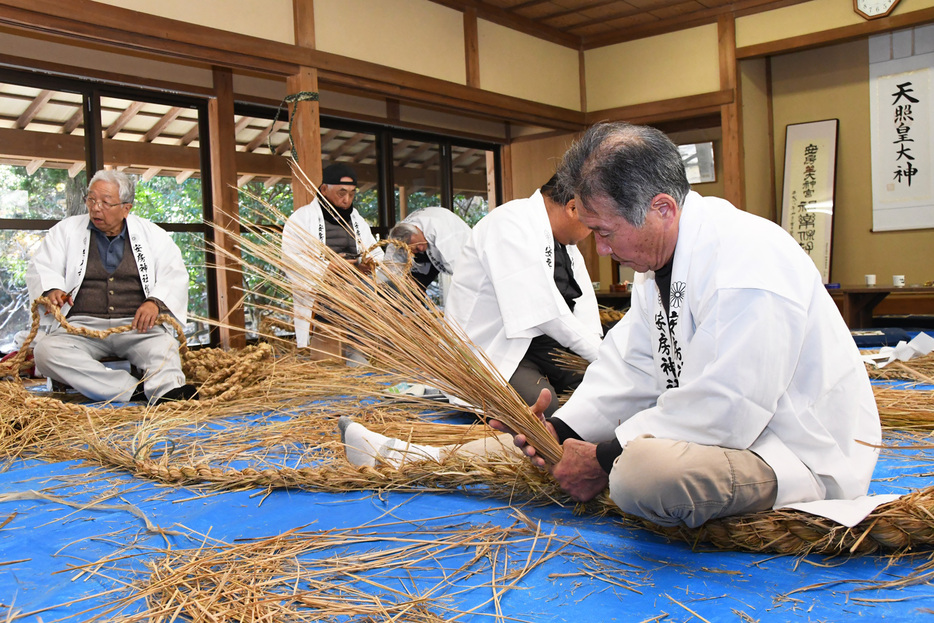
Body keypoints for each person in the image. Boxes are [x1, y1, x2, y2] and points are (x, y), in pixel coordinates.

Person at [342, 122, 882, 531]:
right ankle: (419, 459)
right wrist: (568, 432)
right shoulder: (661, 263)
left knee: (638, 473)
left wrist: (604, 456)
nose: (601, 249)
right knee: (549, 435)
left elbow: (729, 407)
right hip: (718, 431)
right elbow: (627, 369)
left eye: (606, 232)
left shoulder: (748, 261)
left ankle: (455, 459)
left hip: (794, 450)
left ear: (662, 207)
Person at [26, 169, 197, 405]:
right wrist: (52, 289)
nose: (96, 208)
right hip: (79, 327)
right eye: (91, 199)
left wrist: (154, 302)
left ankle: (167, 392)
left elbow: (174, 273)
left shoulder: (152, 235)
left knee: (164, 345)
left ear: (126, 207)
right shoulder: (65, 231)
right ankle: (126, 389)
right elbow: (42, 266)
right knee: (45, 352)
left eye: (105, 202)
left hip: (137, 327)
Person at [444, 174, 603, 417]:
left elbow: (584, 305)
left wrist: (603, 359)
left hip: (542, 345)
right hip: (491, 351)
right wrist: (603, 356)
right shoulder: (508, 223)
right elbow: (543, 313)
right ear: (573, 208)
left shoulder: (565, 243)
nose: (594, 234)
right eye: (593, 226)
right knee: (543, 404)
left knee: (598, 388)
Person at [282, 162, 384, 348]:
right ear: (324, 189)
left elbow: (375, 251)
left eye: (352, 194)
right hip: (323, 298)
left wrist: (368, 264)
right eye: (341, 193)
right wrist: (327, 267)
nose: (347, 199)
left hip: (356, 296)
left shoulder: (358, 220)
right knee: (328, 350)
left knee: (358, 346)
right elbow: (291, 257)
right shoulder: (302, 218)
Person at [387, 207, 470, 304]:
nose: (421, 248)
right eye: (416, 249)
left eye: (419, 246)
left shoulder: (441, 232)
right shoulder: (397, 241)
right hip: (429, 250)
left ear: (418, 229)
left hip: (459, 252)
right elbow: (390, 272)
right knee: (411, 290)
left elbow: (459, 272)